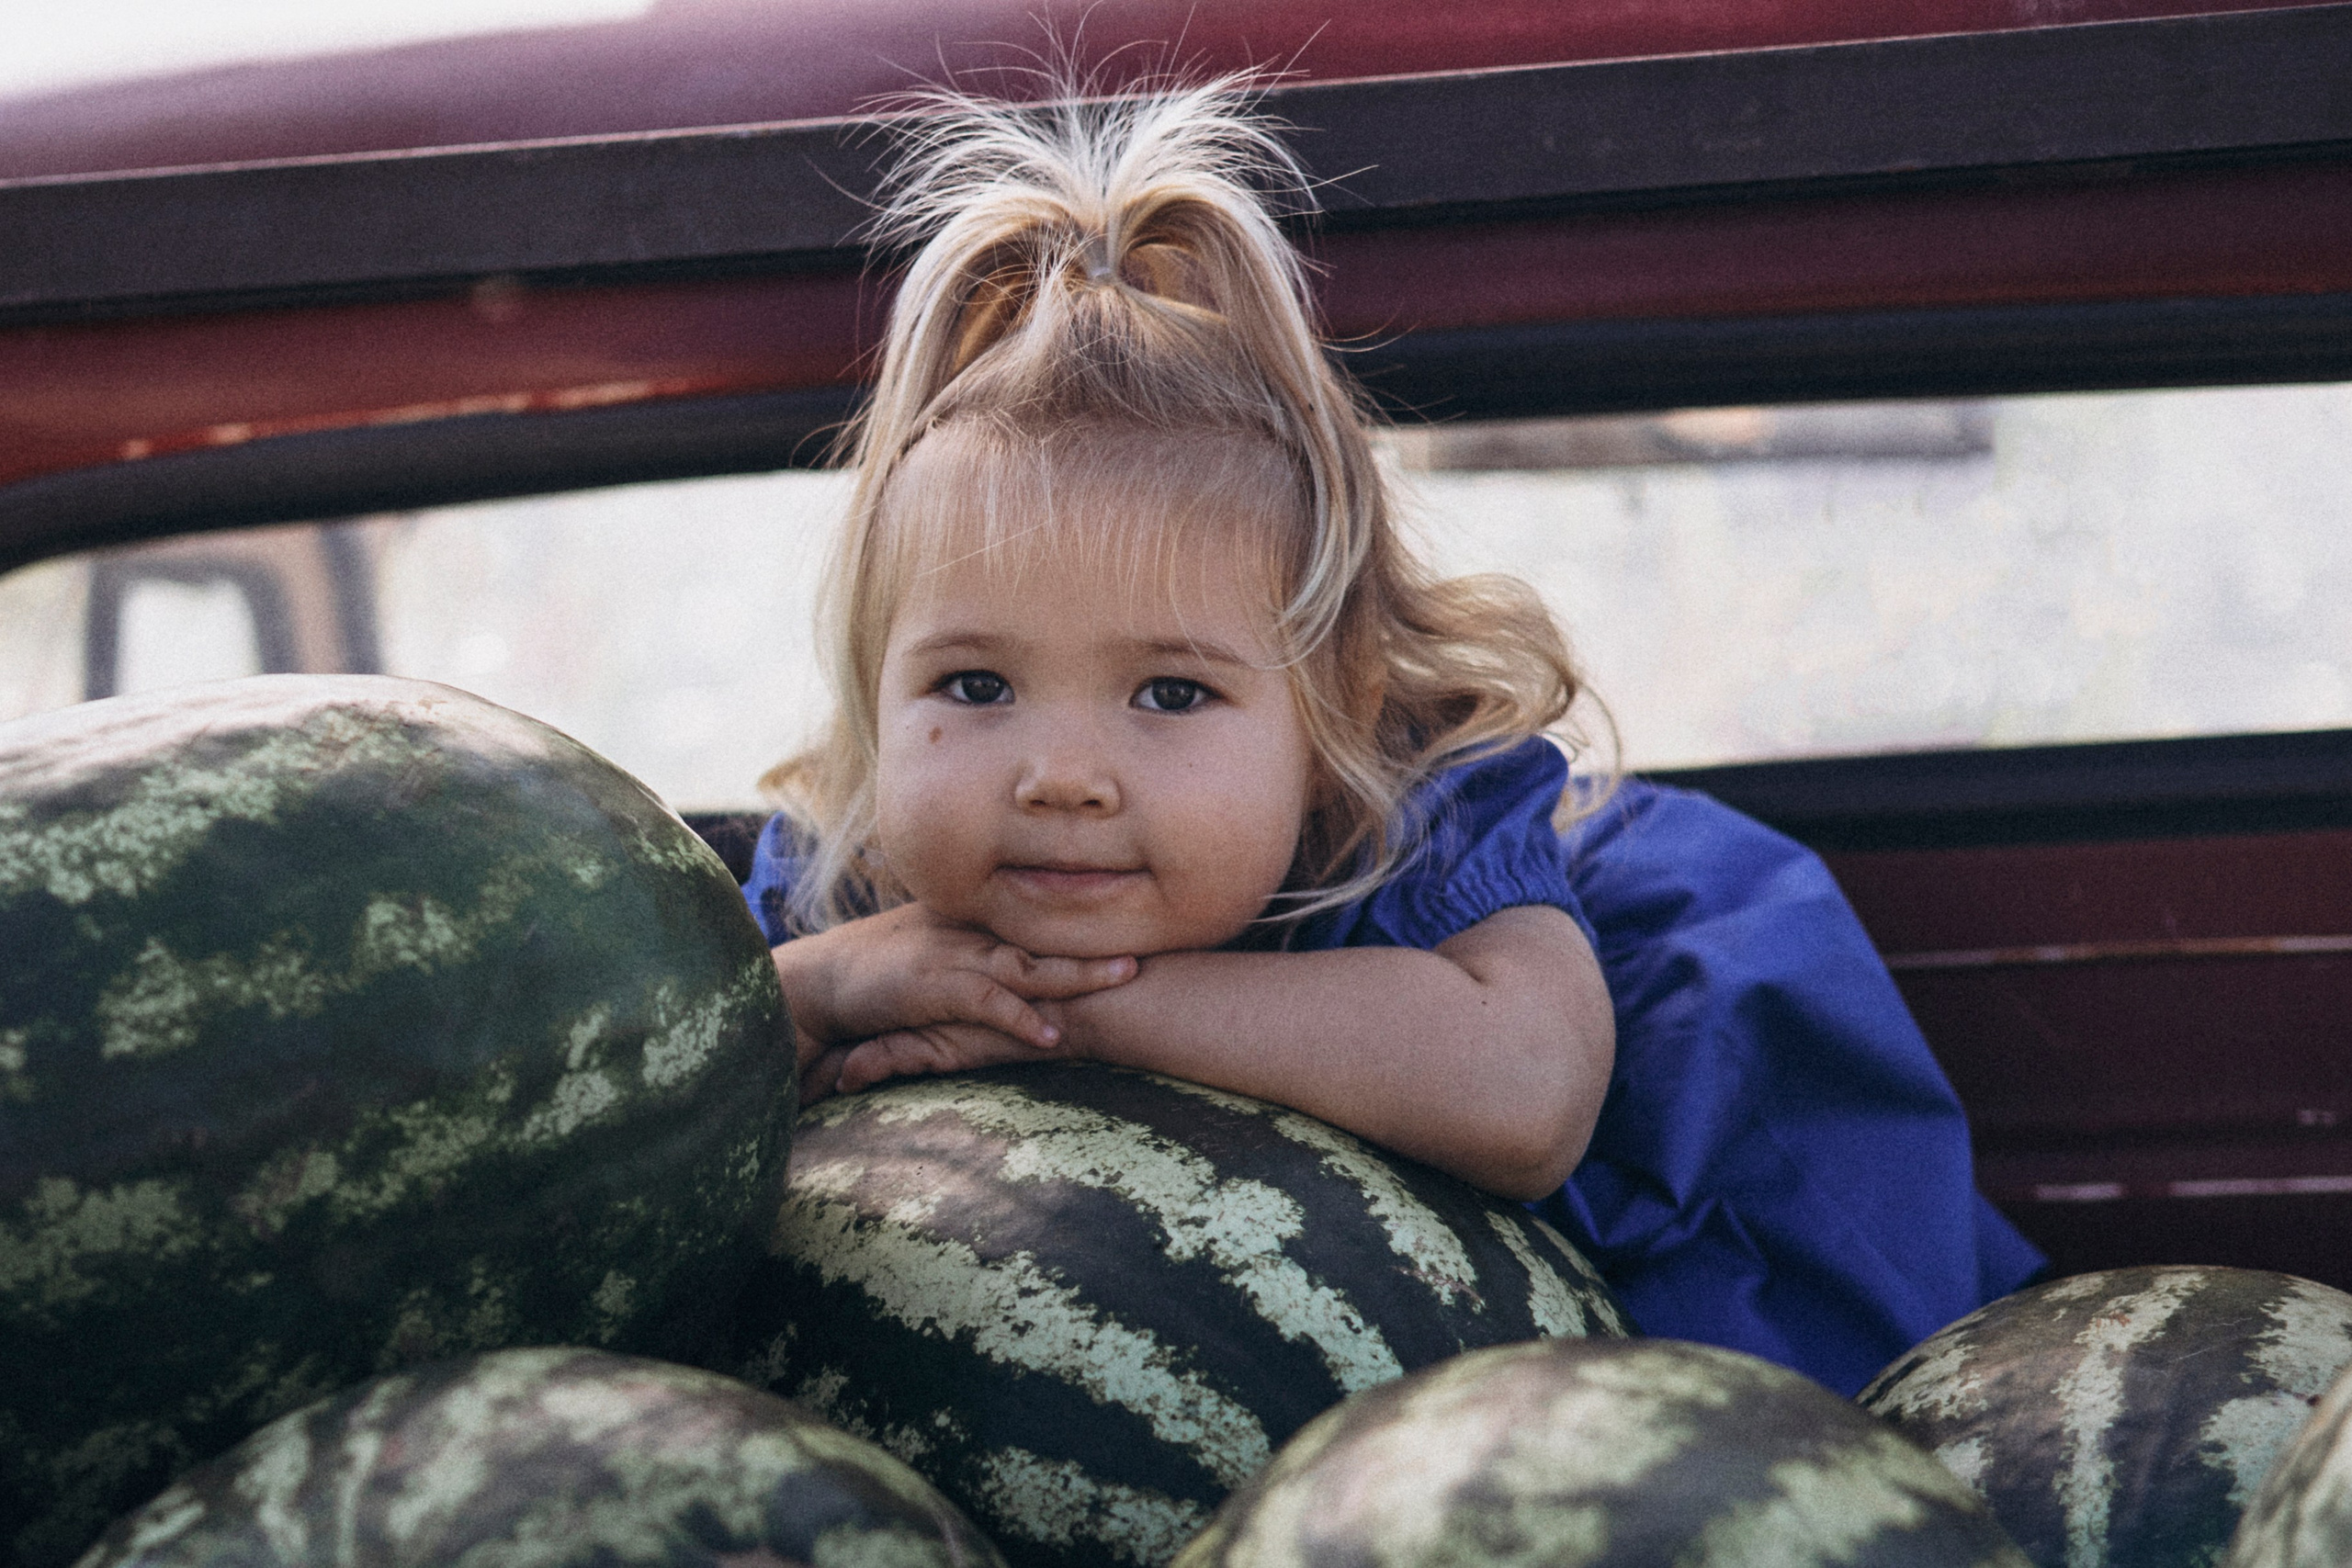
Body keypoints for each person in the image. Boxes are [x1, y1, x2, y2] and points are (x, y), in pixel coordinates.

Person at [740, 79, 2042, 1395]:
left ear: (1331, 715)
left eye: (1171, 695)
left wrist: (1061, 1013)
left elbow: (1529, 1100)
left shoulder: (1419, 827)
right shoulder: (850, 878)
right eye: (973, 685)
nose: (1061, 776)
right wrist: (824, 988)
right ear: (871, 691)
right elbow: (668, 1104)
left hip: (1666, 1206)